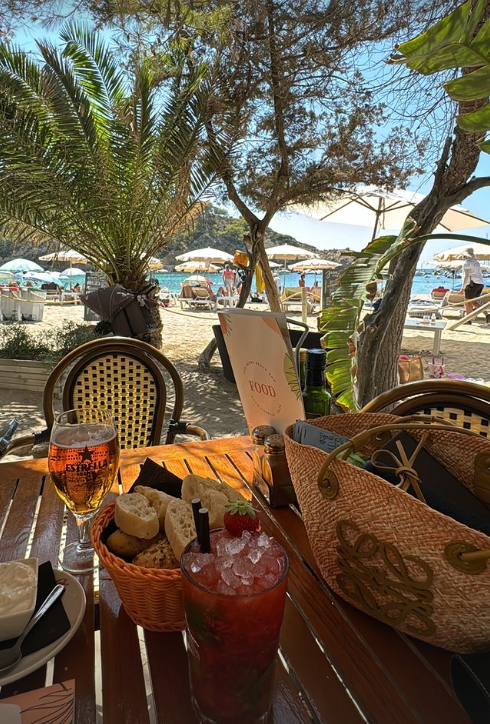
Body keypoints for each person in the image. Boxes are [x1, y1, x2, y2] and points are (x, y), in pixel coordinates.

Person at [461, 247, 484, 322]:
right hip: (480, 284)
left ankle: (468, 320)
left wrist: (463, 288)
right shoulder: (477, 263)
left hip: (472, 284)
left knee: (467, 303)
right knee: (473, 302)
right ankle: (487, 315)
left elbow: (467, 276)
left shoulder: (467, 263)